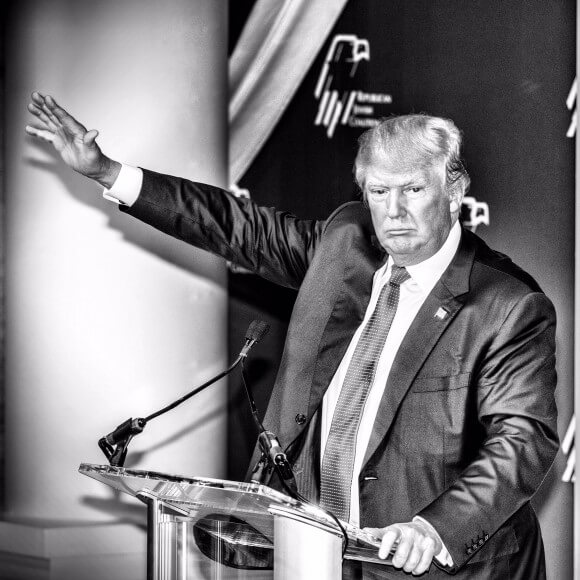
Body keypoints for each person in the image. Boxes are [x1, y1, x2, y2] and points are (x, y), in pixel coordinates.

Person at [26, 92, 558, 579]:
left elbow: (522, 440)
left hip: (434, 566)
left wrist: (433, 529)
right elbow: (234, 225)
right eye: (379, 192)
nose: (393, 211)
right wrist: (108, 172)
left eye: (413, 190)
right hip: (319, 554)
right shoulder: (346, 242)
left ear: (455, 191)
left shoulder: (507, 305)